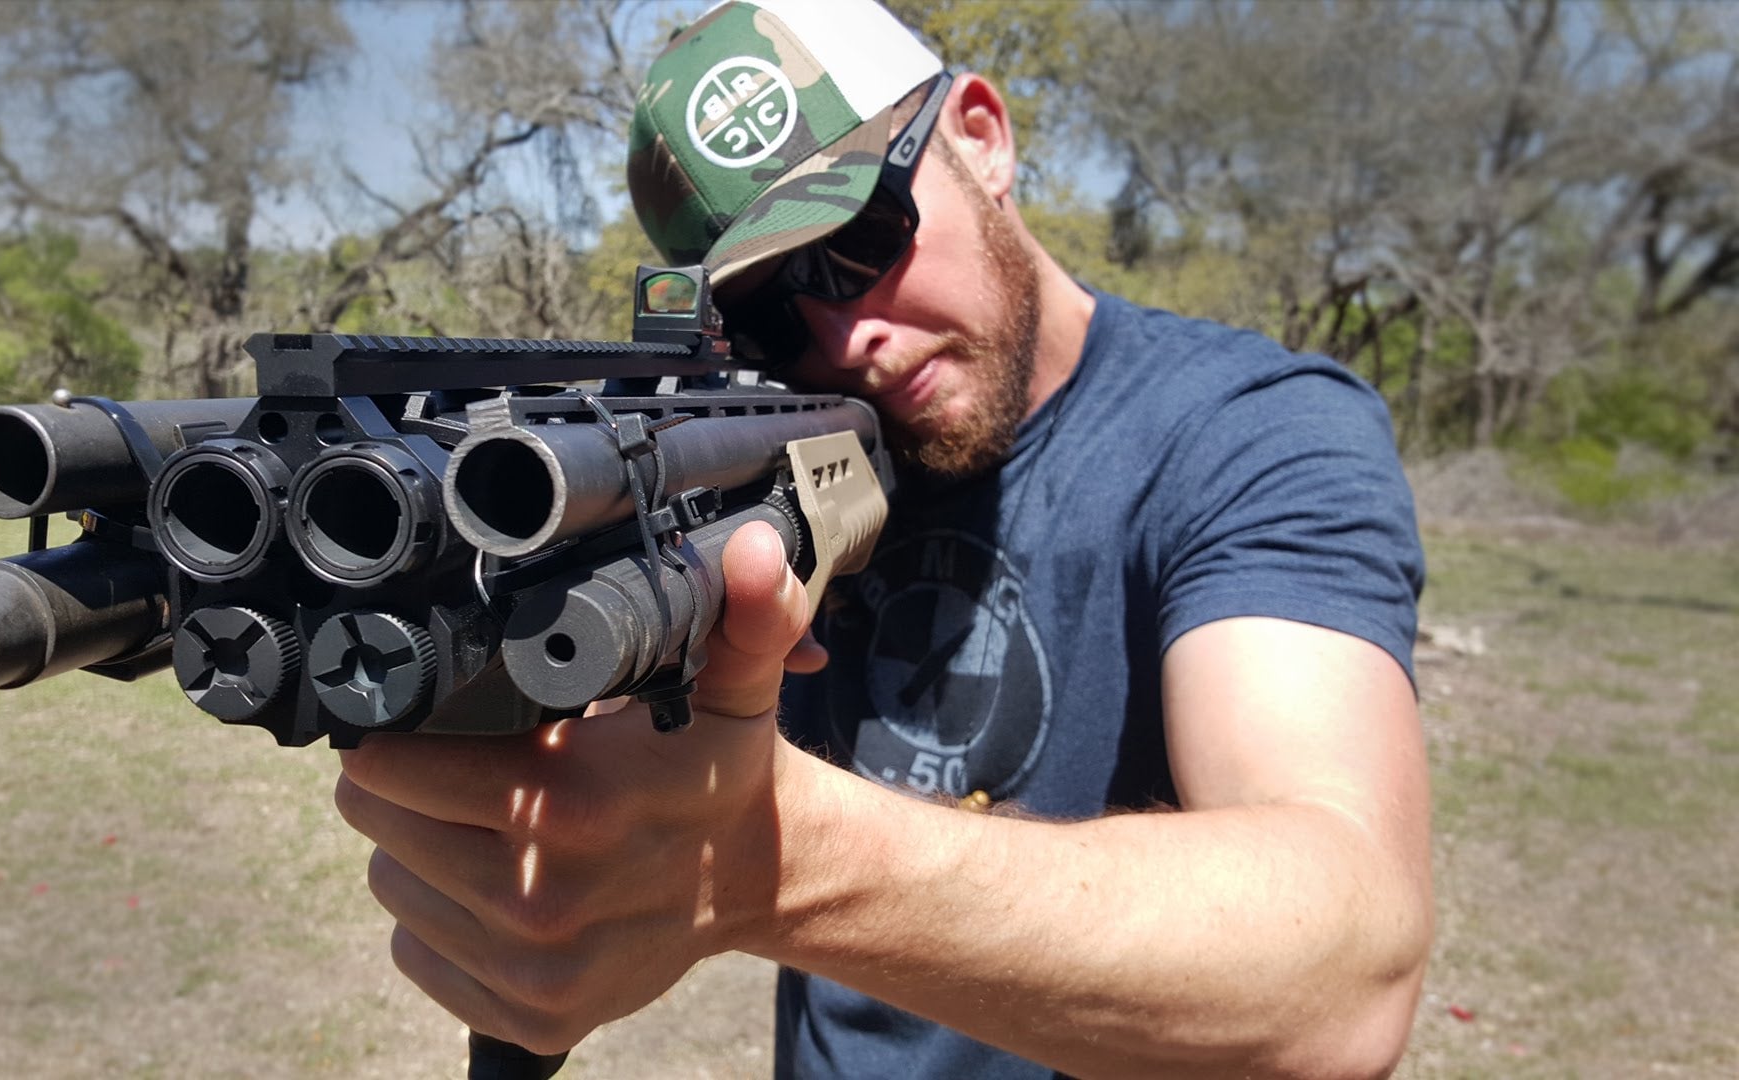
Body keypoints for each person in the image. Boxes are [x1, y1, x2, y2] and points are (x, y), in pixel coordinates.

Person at [333, 1, 1433, 1077]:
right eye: (769, 312)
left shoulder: (1251, 431)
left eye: (857, 243)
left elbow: (1344, 975)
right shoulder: (787, 453)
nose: (844, 334)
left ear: (982, 138)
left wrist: (771, 859)